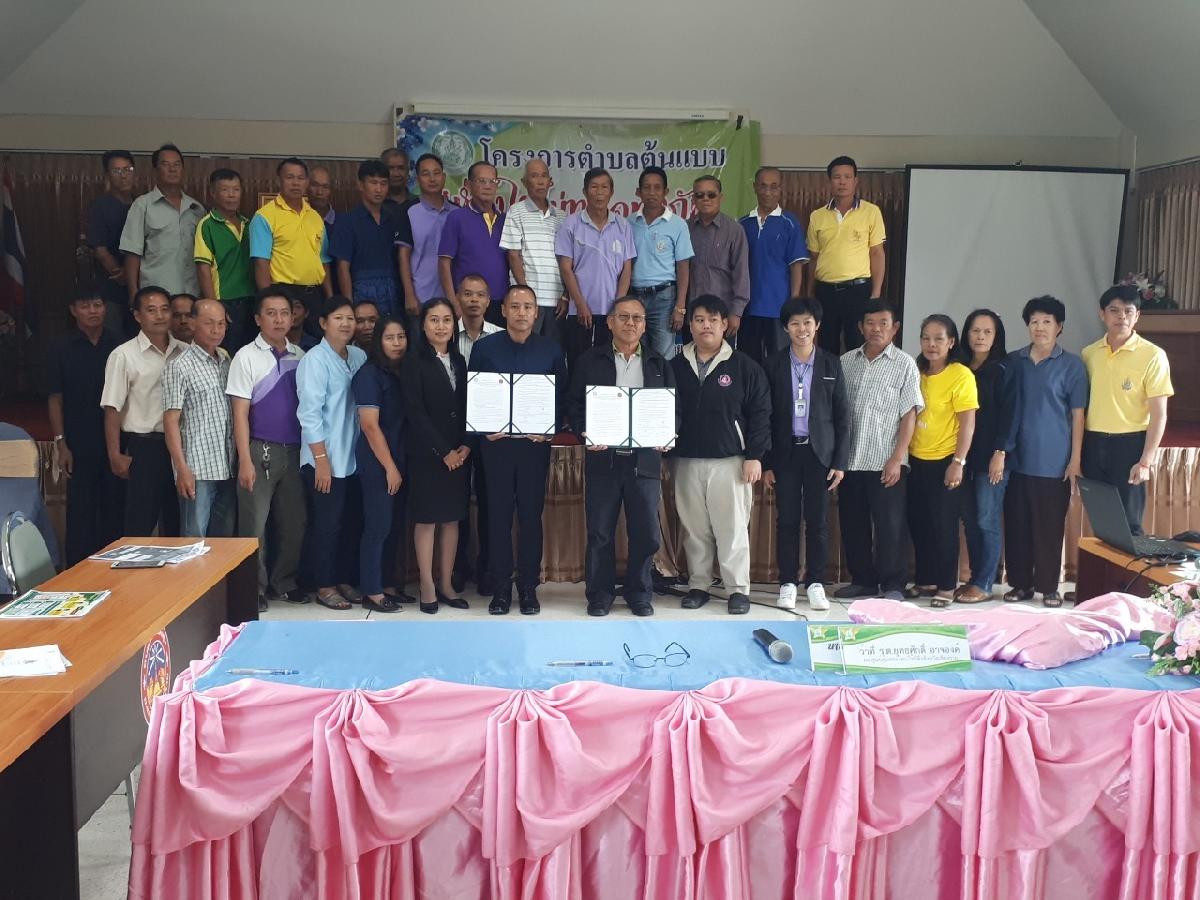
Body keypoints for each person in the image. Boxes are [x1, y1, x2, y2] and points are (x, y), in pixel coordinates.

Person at [567, 295, 677, 616]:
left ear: (644, 325)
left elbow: (674, 409)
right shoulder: (590, 360)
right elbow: (574, 403)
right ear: (610, 322)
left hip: (645, 461)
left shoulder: (658, 363)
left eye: (637, 318)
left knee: (646, 533)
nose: (631, 323)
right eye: (624, 317)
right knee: (600, 532)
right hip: (603, 458)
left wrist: (668, 434)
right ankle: (599, 594)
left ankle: (638, 591)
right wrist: (584, 430)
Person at [469, 285, 567, 615]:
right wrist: (483, 428)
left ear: (536, 312)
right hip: (496, 447)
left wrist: (548, 429)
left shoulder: (551, 350)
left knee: (530, 517)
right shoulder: (485, 348)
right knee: (496, 516)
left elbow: (561, 396)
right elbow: (474, 393)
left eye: (527, 307)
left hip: (533, 447)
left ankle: (528, 587)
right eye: (515, 306)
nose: (521, 312)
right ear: (504, 311)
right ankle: (499, 588)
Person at [670, 295, 770, 615]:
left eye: (713, 320)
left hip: (731, 462)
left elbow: (761, 414)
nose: (706, 326)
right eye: (699, 320)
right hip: (686, 460)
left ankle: (737, 589)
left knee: (732, 528)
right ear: (690, 325)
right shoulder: (674, 366)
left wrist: (755, 455)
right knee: (694, 529)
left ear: (725, 325)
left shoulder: (744, 366)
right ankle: (698, 585)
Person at [762, 296, 848, 612]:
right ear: (786, 328)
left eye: (807, 323)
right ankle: (787, 582)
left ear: (817, 326)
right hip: (784, 454)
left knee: (818, 522)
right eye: (795, 323)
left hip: (819, 454)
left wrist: (839, 461)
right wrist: (766, 461)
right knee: (786, 520)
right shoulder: (772, 364)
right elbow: (765, 416)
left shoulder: (831, 363)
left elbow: (842, 416)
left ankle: (815, 583)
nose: (802, 329)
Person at [835, 299, 924, 601]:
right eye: (870, 323)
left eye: (883, 323)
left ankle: (893, 584)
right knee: (853, 524)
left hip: (886, 461)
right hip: (850, 460)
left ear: (894, 328)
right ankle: (863, 580)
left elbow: (909, 414)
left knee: (890, 526)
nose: (876, 329)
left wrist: (897, 458)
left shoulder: (905, 364)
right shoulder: (846, 362)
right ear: (860, 327)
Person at [227, 286, 308, 611]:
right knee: (254, 525)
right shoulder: (246, 356)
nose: (279, 319)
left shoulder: (300, 356)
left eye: (284, 313)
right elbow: (239, 414)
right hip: (259, 451)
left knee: (294, 523)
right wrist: (244, 459)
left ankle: (284, 583)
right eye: (271, 313)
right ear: (258, 319)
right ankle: (253, 589)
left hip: (295, 451)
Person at [1004, 296, 1088, 608]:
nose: (1040, 327)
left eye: (1047, 322)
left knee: (1049, 528)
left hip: (1054, 461)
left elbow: (1078, 415)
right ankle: (1020, 584)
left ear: (1059, 326)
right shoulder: (1015, 361)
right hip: (1017, 460)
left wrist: (1075, 459)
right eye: (1034, 322)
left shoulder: (1072, 365)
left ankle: (1049, 587)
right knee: (1017, 525)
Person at [1081, 283, 1174, 535]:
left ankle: (1132, 564)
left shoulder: (1153, 355)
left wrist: (1146, 461)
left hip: (1129, 446)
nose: (1121, 316)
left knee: (1129, 525)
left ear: (1137, 316)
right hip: (1093, 443)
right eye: (1114, 310)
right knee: (1101, 521)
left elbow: (1159, 414)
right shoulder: (1089, 354)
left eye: (1128, 311)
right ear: (1102, 314)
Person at [296, 296, 367, 611]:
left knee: (350, 522)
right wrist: (321, 461)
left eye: (350, 318)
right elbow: (309, 414)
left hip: (354, 457)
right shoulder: (314, 360)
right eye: (338, 318)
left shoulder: (359, 356)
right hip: (324, 459)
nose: (346, 323)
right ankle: (324, 585)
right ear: (323, 323)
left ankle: (343, 579)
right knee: (327, 525)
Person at [100, 285, 187, 536]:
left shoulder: (185, 352)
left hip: (182, 447)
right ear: (137, 316)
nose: (159, 316)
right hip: (145, 447)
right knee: (140, 522)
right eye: (151, 310)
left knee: (178, 520)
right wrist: (115, 454)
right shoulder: (123, 355)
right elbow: (112, 409)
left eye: (165, 309)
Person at [402, 298, 471, 614]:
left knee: (451, 519)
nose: (441, 326)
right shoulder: (413, 362)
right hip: (428, 454)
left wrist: (466, 445)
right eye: (434, 320)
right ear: (423, 325)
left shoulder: (459, 360)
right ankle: (427, 584)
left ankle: (446, 583)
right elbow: (415, 413)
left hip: (459, 453)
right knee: (428, 519)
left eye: (446, 320)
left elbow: (468, 406)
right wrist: (443, 451)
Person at [46, 288, 123, 564]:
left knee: (115, 509)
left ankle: (116, 569)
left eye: (97, 304)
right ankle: (79, 572)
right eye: (85, 305)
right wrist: (61, 443)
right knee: (81, 512)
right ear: (73, 310)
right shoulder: (60, 347)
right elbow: (55, 398)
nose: (92, 311)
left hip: (115, 441)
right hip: (78, 442)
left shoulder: (119, 344)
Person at [906, 315, 977, 606]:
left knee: (944, 526)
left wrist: (958, 462)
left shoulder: (960, 374)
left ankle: (947, 586)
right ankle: (926, 580)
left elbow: (968, 423)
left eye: (938, 339)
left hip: (946, 459)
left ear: (951, 342)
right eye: (926, 338)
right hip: (915, 459)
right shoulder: (916, 371)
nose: (931, 344)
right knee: (919, 522)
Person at [957, 309, 1017, 603]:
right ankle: (976, 578)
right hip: (963, 458)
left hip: (992, 458)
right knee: (970, 521)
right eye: (975, 331)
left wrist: (1000, 453)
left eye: (987, 332)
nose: (980, 337)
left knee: (986, 520)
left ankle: (984, 583)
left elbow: (1010, 416)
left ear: (996, 336)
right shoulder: (959, 368)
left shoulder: (1004, 369)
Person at [352, 315, 411, 613]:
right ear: (379, 341)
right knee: (378, 526)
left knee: (394, 526)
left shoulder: (402, 371)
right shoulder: (369, 374)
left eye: (401, 337)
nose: (397, 343)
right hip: (378, 461)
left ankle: (388, 585)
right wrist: (389, 467)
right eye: (390, 338)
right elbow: (369, 426)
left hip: (400, 457)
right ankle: (372, 591)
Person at [162, 299, 235, 538]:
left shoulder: (226, 360)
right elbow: (171, 421)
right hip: (197, 469)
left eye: (221, 324)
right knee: (194, 540)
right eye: (209, 323)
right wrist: (181, 468)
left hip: (228, 465)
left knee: (224, 544)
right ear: (193, 323)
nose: (216, 330)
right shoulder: (179, 366)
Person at [452, 275, 502, 595]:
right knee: (456, 504)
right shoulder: (445, 332)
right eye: (467, 294)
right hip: (453, 431)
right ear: (458, 297)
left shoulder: (500, 336)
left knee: (489, 502)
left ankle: (487, 568)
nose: (473, 300)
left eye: (480, 295)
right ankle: (457, 568)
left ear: (488, 300)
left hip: (489, 432)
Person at [556, 167, 635, 369]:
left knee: (608, 367)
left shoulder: (622, 226)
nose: (599, 193)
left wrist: (618, 308)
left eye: (604, 187)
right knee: (578, 364)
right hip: (580, 310)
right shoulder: (571, 224)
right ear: (584, 191)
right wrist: (580, 304)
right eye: (594, 187)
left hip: (611, 312)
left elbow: (626, 269)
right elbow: (566, 268)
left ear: (611, 192)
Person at [806, 156, 886, 354]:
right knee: (826, 345)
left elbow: (877, 253)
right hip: (826, 291)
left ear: (855, 181)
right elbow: (813, 258)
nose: (842, 182)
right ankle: (829, 376)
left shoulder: (871, 212)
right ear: (829, 181)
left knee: (857, 345)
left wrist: (876, 293)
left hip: (858, 291)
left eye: (847, 177)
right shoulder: (817, 216)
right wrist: (810, 293)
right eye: (837, 177)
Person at [249, 157, 333, 330]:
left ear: (306, 182)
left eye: (300, 178)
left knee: (314, 342)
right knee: (282, 342)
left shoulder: (315, 217)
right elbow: (261, 263)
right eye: (290, 177)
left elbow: (323, 261)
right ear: (278, 180)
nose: (295, 183)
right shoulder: (264, 216)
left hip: (313, 294)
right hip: (283, 294)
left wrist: (330, 298)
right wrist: (268, 303)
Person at [738, 167, 808, 363]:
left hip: (779, 307)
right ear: (755, 187)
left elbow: (796, 265)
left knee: (780, 362)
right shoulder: (743, 223)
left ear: (781, 189)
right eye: (763, 186)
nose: (768, 192)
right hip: (748, 307)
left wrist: (793, 301)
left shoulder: (790, 223)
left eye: (774, 187)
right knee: (749, 362)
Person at [120, 143, 205, 301]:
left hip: (192, 294)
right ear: (155, 170)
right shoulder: (142, 205)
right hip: (156, 295)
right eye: (165, 164)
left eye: (177, 164)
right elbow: (133, 252)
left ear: (183, 170)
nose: (172, 169)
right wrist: (133, 291)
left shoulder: (196, 208)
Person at [331, 159, 412, 316]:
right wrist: (349, 305)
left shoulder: (395, 219)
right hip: (361, 292)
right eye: (373, 183)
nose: (378, 189)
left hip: (393, 292)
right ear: (360, 185)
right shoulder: (347, 221)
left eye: (383, 183)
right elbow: (342, 266)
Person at [629, 166, 693, 357]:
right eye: (647, 187)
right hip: (634, 297)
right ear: (638, 192)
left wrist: (680, 307)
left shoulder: (678, 224)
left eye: (657, 187)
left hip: (664, 298)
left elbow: (683, 267)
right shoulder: (628, 223)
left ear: (666, 191)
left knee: (663, 356)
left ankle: (661, 380)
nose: (652, 192)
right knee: (635, 352)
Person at [500, 159, 565, 339]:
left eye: (544, 176)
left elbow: (568, 261)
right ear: (524, 182)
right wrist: (527, 297)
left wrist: (565, 296)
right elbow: (513, 256)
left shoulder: (562, 217)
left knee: (553, 350)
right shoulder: (516, 212)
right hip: (527, 304)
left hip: (556, 301)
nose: (540, 181)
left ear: (550, 181)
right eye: (534, 176)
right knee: (525, 349)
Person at [194, 168, 255, 351]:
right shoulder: (207, 224)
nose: (231, 195)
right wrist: (215, 307)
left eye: (236, 189)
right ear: (213, 193)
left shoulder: (248, 223)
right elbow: (203, 268)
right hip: (225, 302)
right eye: (225, 190)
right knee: (227, 353)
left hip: (251, 300)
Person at [438, 161, 509, 317]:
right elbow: (444, 263)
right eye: (481, 181)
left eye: (492, 181)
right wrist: (453, 301)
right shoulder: (456, 218)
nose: (488, 186)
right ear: (468, 185)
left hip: (499, 302)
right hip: (468, 302)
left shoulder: (505, 220)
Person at [686, 175, 750, 339]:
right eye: (700, 195)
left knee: (723, 356)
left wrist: (736, 312)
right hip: (692, 314)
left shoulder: (734, 230)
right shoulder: (685, 229)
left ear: (721, 197)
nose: (705, 199)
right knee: (690, 355)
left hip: (722, 314)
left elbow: (741, 274)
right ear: (693, 199)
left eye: (711, 194)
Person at [86, 150, 135, 336]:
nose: (123, 175)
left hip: (140, 286)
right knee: (113, 339)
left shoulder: (141, 203)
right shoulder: (100, 205)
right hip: (112, 288)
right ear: (107, 175)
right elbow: (100, 249)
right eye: (117, 171)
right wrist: (121, 273)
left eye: (128, 169)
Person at [399, 153, 453, 316]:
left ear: (444, 177)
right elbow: (403, 256)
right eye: (425, 174)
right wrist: (409, 295)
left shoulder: (457, 212)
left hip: (451, 297)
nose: (432, 179)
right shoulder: (408, 211)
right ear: (417, 180)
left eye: (436, 173)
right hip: (420, 297)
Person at [381, 148, 418, 216]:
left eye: (401, 168)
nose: (396, 174)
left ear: (407, 171)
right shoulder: (375, 204)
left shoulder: (418, 203)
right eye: (390, 168)